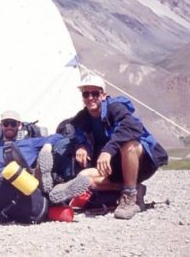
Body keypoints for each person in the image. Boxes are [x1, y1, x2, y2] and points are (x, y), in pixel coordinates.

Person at [51, 74, 168, 220]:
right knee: (84, 177)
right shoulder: (83, 117)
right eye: (86, 94)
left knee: (129, 145)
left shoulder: (116, 107)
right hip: (115, 167)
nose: (90, 97)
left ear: (104, 95)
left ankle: (130, 197)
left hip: (142, 163)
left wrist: (108, 150)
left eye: (95, 93)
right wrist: (81, 146)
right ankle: (134, 189)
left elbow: (133, 127)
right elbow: (76, 132)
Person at [0, 110, 62, 174]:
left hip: (22, 185)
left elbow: (58, 136)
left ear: (19, 125)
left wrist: (48, 145)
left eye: (13, 124)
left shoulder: (29, 144)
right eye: (6, 124)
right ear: (1, 125)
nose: (9, 127)